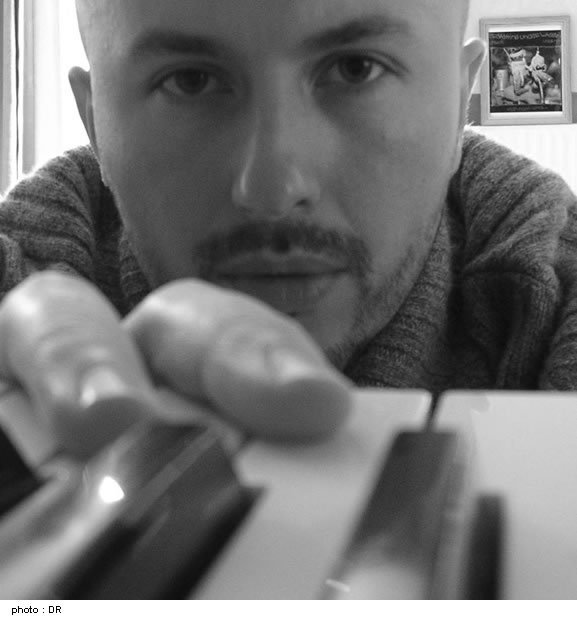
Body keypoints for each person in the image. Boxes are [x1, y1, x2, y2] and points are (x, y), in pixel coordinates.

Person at [0, 0, 576, 459]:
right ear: (95, 123)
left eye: (356, 69)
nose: (273, 190)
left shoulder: (558, 306)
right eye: (190, 81)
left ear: (458, 110)